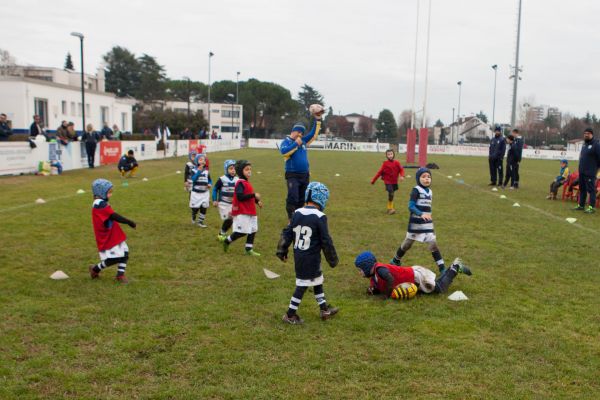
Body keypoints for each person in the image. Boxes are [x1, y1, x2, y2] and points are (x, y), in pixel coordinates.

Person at [277, 182, 339, 324]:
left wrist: (282, 249)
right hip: (311, 257)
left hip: (299, 256)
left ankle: (324, 309)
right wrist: (332, 258)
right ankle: (290, 314)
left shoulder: (297, 213)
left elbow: (287, 232)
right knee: (303, 285)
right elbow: (326, 240)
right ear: (322, 199)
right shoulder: (320, 216)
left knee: (317, 281)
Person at [391, 167, 447, 273]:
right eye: (424, 177)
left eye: (429, 177)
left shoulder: (430, 191)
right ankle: (395, 260)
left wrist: (427, 216)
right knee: (407, 244)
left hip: (427, 223)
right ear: (418, 179)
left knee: (433, 244)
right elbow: (410, 206)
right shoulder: (416, 190)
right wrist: (421, 214)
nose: (427, 179)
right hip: (416, 223)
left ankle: (442, 268)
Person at [354, 251, 471, 299]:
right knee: (437, 286)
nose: (360, 273)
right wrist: (373, 289)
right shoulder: (374, 275)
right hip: (413, 276)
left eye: (360, 270)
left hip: (417, 276)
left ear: (367, 266)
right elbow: (378, 285)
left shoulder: (380, 269)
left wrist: (386, 295)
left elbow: (390, 279)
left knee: (439, 289)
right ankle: (454, 268)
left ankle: (456, 267)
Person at [279, 104, 325, 219]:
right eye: (299, 132)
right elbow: (284, 152)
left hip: (304, 175)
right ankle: (291, 218)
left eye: (302, 133)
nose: (300, 134)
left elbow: (314, 134)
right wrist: (296, 144)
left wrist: (318, 119)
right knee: (293, 197)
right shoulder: (287, 141)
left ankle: (298, 217)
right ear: (294, 131)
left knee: (302, 198)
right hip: (292, 175)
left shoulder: (303, 141)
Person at [89, 179, 136, 283]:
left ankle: (120, 275)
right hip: (107, 235)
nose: (110, 195)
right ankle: (95, 269)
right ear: (101, 192)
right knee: (114, 258)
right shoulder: (99, 204)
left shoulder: (100, 202)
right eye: (109, 192)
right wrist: (129, 222)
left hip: (112, 233)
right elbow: (113, 215)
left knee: (125, 252)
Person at [220, 160, 262, 255]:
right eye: (247, 169)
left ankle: (248, 249)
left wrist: (257, 201)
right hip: (243, 212)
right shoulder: (240, 183)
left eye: (250, 169)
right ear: (240, 171)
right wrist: (253, 195)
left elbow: (249, 196)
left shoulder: (246, 183)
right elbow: (240, 197)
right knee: (242, 232)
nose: (249, 171)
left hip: (251, 211)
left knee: (253, 229)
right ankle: (227, 241)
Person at [371, 148, 405, 214]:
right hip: (387, 181)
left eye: (391, 154)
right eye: (388, 154)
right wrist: (373, 180)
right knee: (391, 192)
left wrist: (402, 176)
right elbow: (379, 172)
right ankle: (390, 209)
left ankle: (390, 208)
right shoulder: (385, 164)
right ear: (386, 156)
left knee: (391, 195)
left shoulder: (397, 163)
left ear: (393, 154)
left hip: (394, 182)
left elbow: (401, 169)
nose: (390, 155)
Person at [574, 128, 600, 213]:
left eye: (588, 133)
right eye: (585, 133)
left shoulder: (596, 145)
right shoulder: (584, 144)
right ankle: (581, 205)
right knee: (582, 189)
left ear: (592, 134)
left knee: (591, 190)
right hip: (582, 172)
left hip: (590, 172)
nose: (586, 135)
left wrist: (595, 169)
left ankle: (591, 207)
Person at [213, 160, 238, 239]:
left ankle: (222, 234)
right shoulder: (222, 179)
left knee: (232, 219)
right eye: (231, 168)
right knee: (229, 217)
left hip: (233, 203)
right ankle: (221, 234)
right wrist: (214, 200)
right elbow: (215, 189)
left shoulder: (237, 179)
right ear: (226, 169)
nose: (233, 170)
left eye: (234, 168)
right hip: (223, 203)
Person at [188, 154, 212, 228]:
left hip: (205, 193)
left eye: (204, 160)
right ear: (196, 161)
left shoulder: (207, 171)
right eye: (200, 159)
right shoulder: (193, 170)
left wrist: (209, 184)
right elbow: (193, 179)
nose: (203, 161)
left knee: (204, 207)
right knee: (195, 208)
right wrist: (199, 171)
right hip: (196, 193)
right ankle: (193, 214)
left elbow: (210, 180)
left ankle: (200, 222)